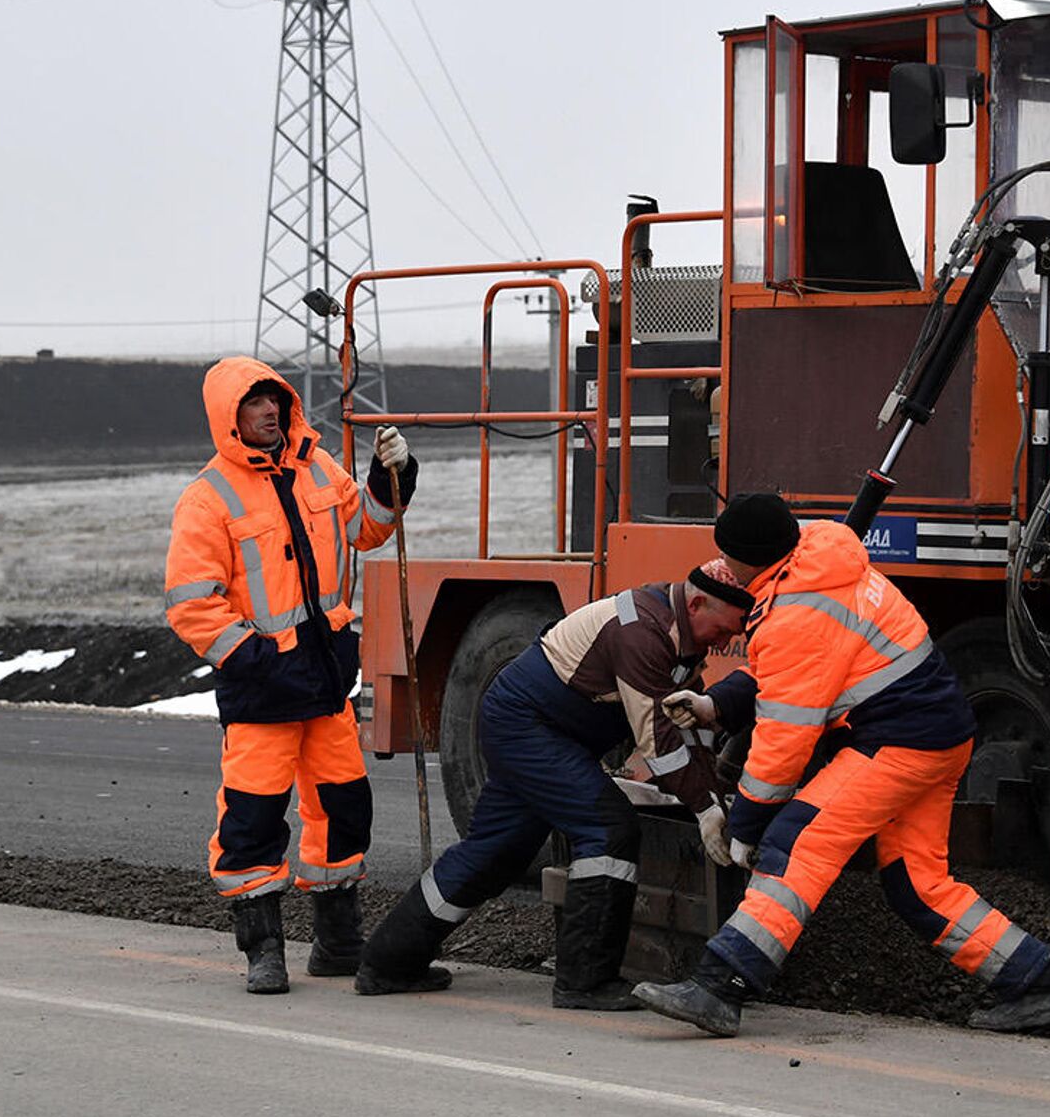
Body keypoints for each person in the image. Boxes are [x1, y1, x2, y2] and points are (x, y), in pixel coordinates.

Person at [635, 493, 1050, 1036]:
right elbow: (798, 671)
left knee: (795, 844)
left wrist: (747, 825)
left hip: (898, 743)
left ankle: (720, 985)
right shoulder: (821, 561)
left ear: (752, 559)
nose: (724, 567)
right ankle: (1035, 984)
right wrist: (715, 705)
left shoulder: (795, 612)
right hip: (942, 736)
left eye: (729, 557)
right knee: (917, 883)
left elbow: (784, 742)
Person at [355, 561, 753, 1009]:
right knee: (607, 830)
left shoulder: (682, 636)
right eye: (723, 630)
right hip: (528, 727)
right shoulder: (642, 631)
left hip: (536, 727)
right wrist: (704, 809)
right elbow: (658, 743)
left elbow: (685, 728)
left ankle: (388, 961)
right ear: (697, 603)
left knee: (495, 852)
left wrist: (716, 793)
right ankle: (584, 982)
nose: (724, 643)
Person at [163, 355, 416, 995]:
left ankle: (337, 946)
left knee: (342, 808)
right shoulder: (207, 497)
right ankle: (263, 951)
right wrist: (256, 659)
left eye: (275, 400)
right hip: (262, 690)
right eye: (254, 404)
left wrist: (395, 476)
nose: (270, 411)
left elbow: (368, 529)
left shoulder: (316, 466)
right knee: (252, 818)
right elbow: (191, 604)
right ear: (230, 418)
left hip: (327, 680)